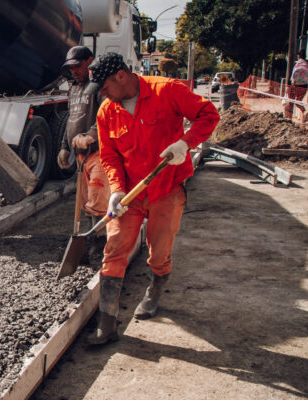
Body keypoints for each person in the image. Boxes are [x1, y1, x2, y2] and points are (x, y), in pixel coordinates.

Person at [84, 52, 219, 345]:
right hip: (131, 194)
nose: (103, 96)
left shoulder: (166, 90)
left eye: (105, 88)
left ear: (121, 75)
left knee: (159, 252)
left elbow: (209, 114)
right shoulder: (107, 111)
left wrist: (185, 143)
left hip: (166, 189)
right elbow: (109, 155)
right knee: (114, 249)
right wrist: (117, 190)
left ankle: (155, 290)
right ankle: (106, 324)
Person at [55, 46, 110, 250]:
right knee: (86, 201)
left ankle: (101, 242)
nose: (74, 71)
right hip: (80, 155)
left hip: (98, 153)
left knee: (97, 201)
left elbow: (105, 117)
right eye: (71, 68)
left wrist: (89, 136)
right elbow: (71, 119)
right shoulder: (74, 89)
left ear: (89, 61)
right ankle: (90, 241)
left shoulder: (98, 87)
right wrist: (64, 147)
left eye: (78, 66)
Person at [285, 52, 308, 121]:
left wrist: (288, 85)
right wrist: (306, 84)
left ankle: (289, 118)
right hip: (304, 86)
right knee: (298, 102)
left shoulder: (296, 64)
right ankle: (304, 112)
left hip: (294, 85)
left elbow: (291, 75)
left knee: (291, 102)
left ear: (298, 56)